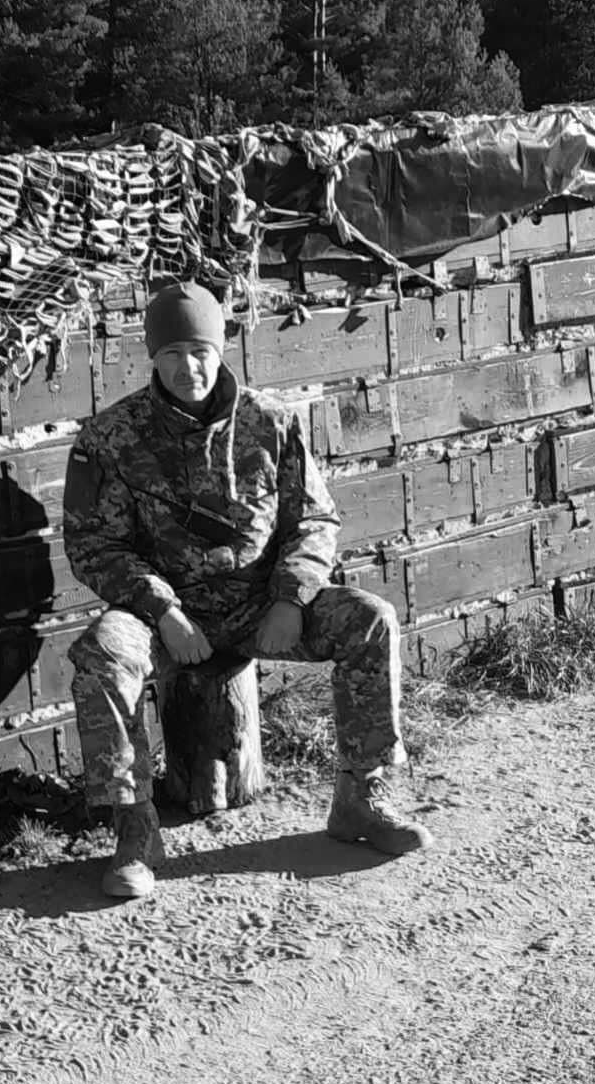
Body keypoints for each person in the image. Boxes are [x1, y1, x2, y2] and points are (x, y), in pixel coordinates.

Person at [63, 280, 433, 899]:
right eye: (172, 353)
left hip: (262, 606)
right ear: (152, 356)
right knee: (102, 654)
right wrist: (164, 610)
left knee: (371, 619)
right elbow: (92, 544)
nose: (188, 368)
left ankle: (361, 797)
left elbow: (315, 521)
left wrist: (291, 598)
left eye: (200, 351)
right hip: (164, 617)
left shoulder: (271, 422)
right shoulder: (110, 438)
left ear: (221, 350)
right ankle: (135, 828)